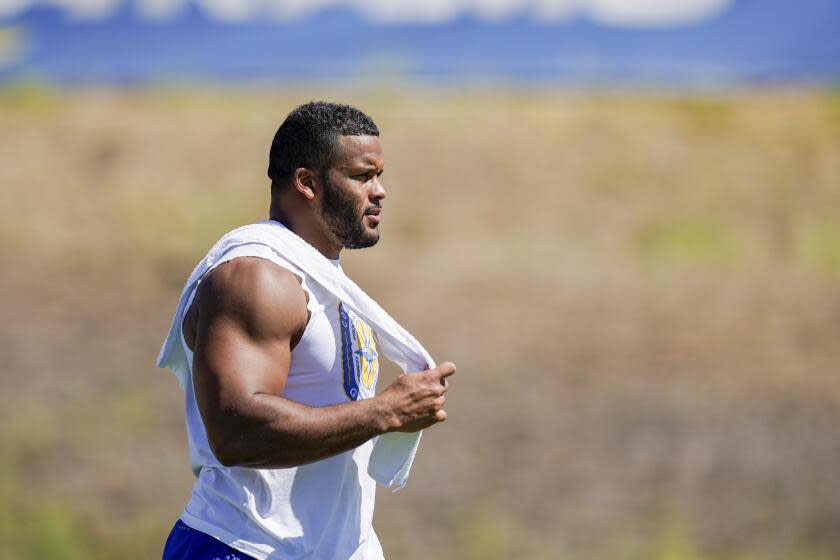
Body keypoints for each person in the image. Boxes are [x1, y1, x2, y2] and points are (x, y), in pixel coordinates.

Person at [159, 101, 456, 560]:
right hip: (241, 547)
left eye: (379, 175)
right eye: (362, 176)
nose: (380, 192)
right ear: (307, 183)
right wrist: (386, 412)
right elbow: (236, 433)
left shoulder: (325, 281)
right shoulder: (256, 277)